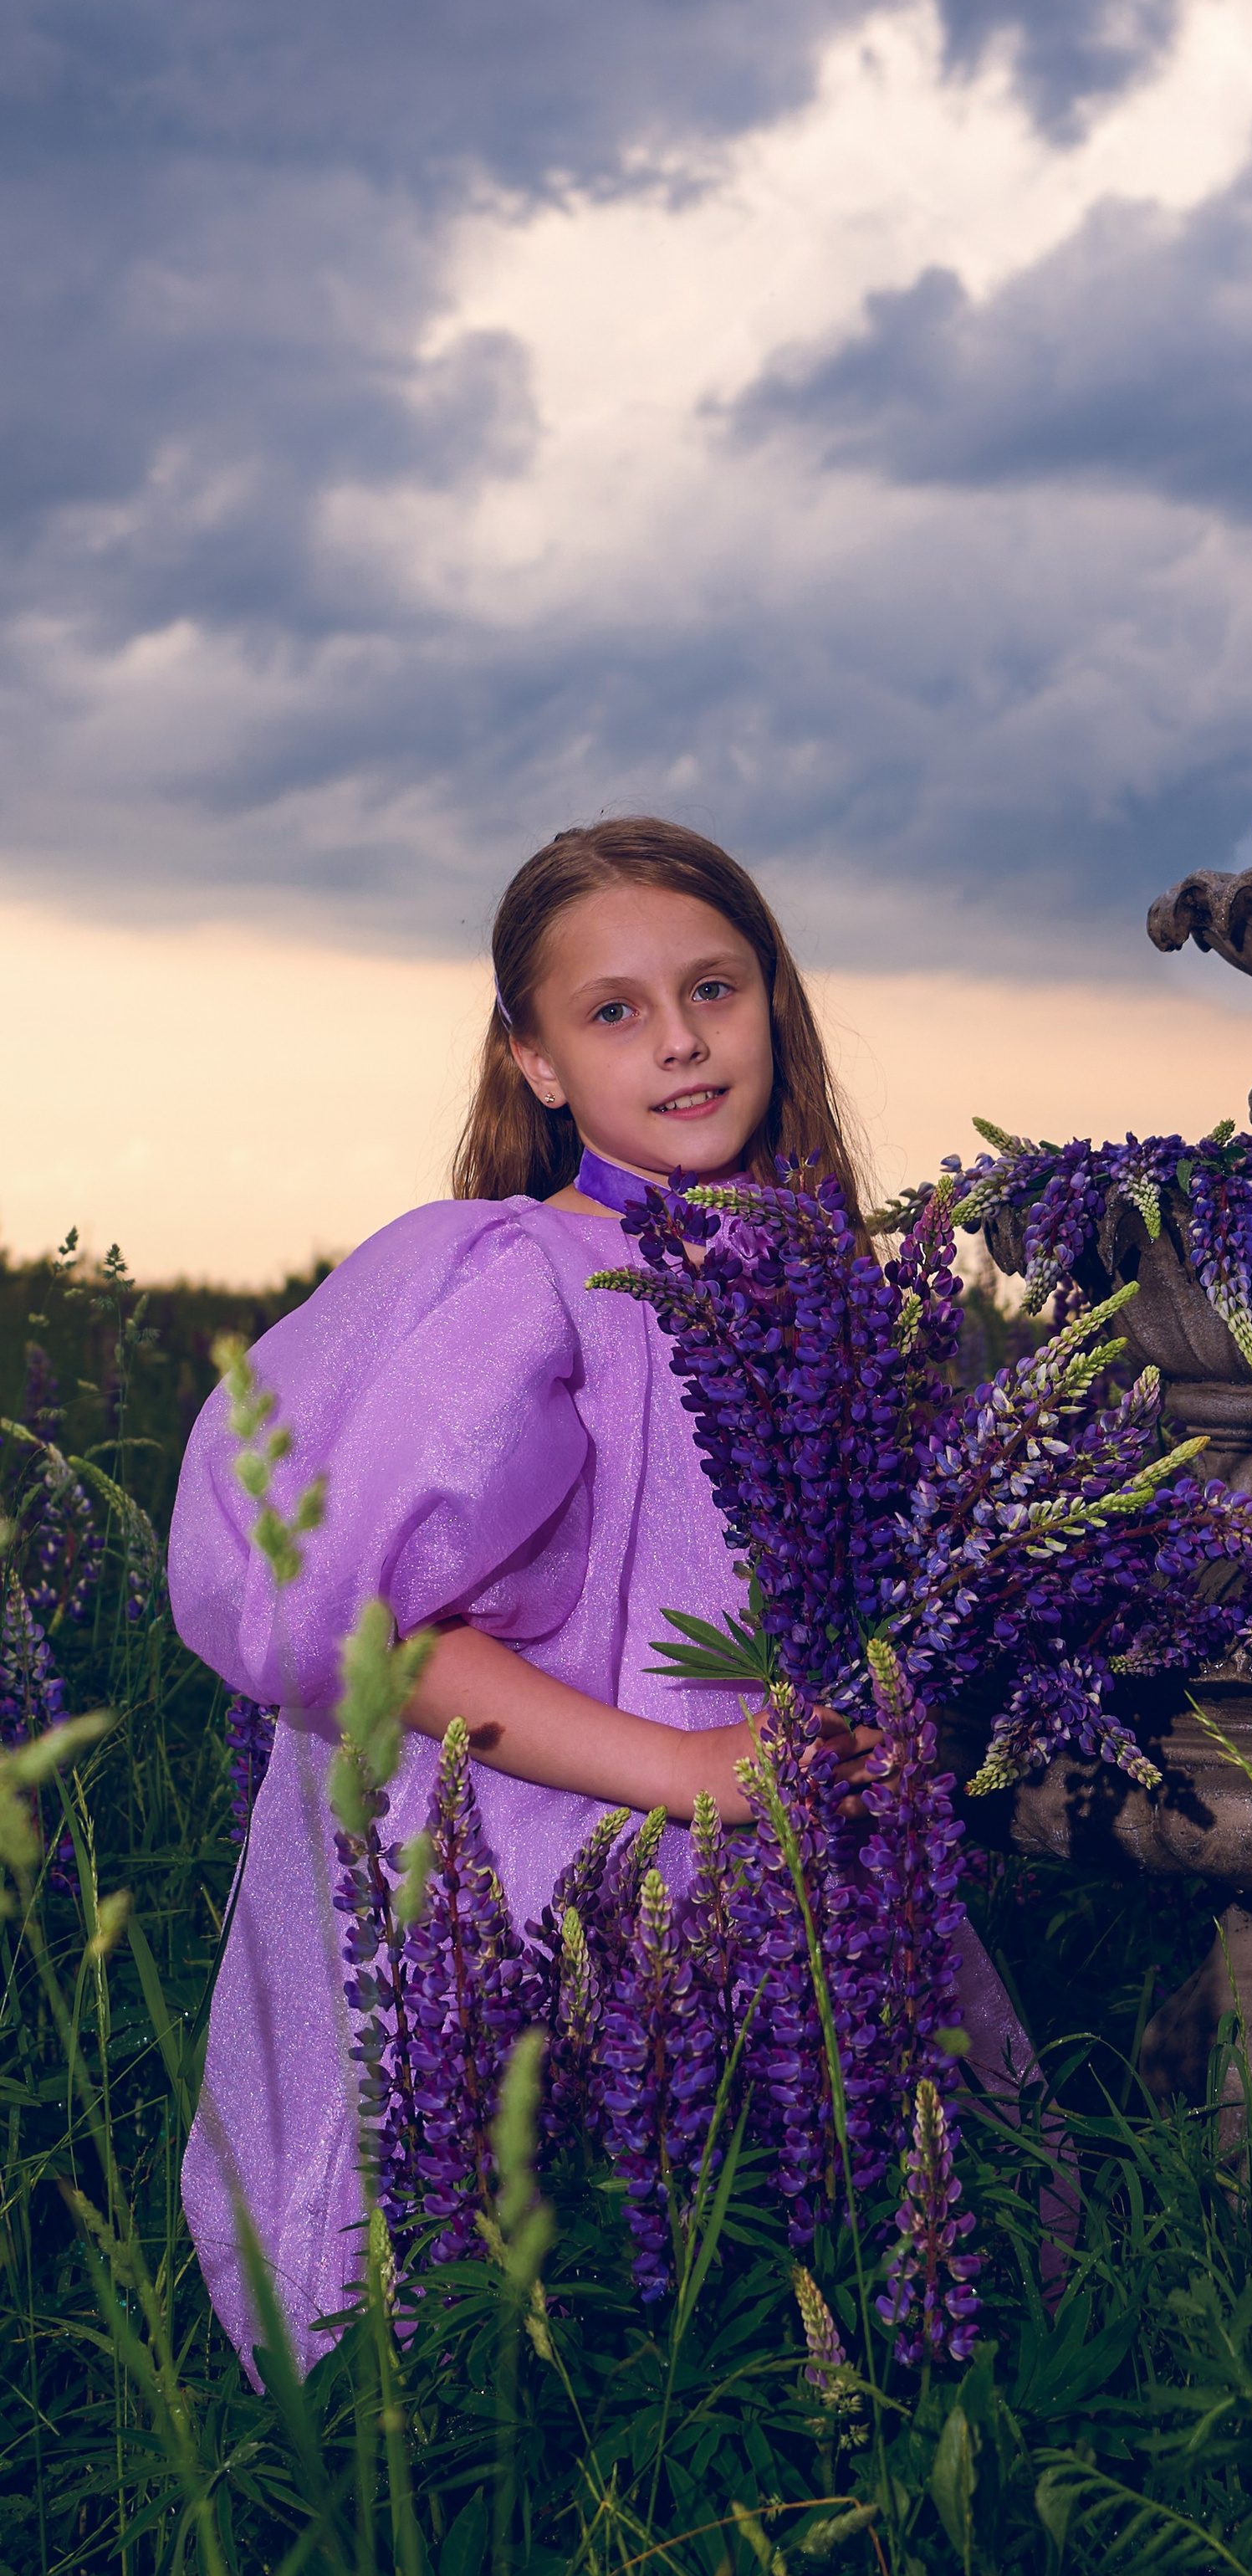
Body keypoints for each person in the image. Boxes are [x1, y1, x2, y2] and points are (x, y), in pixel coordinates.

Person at [171, 816, 1043, 2371]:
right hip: (532, 1871)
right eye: (615, 1011)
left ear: (775, 1000)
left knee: (820, 2280)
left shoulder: (816, 1286)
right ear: (538, 1063)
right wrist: (697, 1774)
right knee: (531, 2303)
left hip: (783, 1854)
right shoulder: (514, 1280)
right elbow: (376, 1641)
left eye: (714, 988)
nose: (683, 1042)